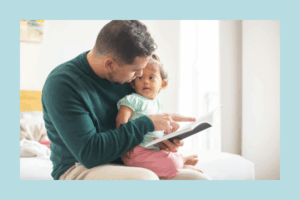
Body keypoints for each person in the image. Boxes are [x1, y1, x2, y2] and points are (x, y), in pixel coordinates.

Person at [42, 20, 212, 180]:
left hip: (131, 160)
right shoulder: (62, 84)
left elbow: (138, 123)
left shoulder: (126, 77)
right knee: (145, 180)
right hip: (79, 167)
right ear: (109, 64)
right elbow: (90, 154)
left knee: (198, 180)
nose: (139, 76)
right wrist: (147, 124)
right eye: (136, 70)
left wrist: (161, 138)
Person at [116, 54, 205, 179]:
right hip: (136, 151)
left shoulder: (157, 104)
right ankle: (182, 162)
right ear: (133, 83)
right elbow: (121, 119)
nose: (145, 81)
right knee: (171, 163)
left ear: (162, 84)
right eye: (140, 77)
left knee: (169, 153)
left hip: (153, 148)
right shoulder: (132, 100)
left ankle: (180, 161)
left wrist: (168, 135)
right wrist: (124, 144)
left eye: (151, 77)